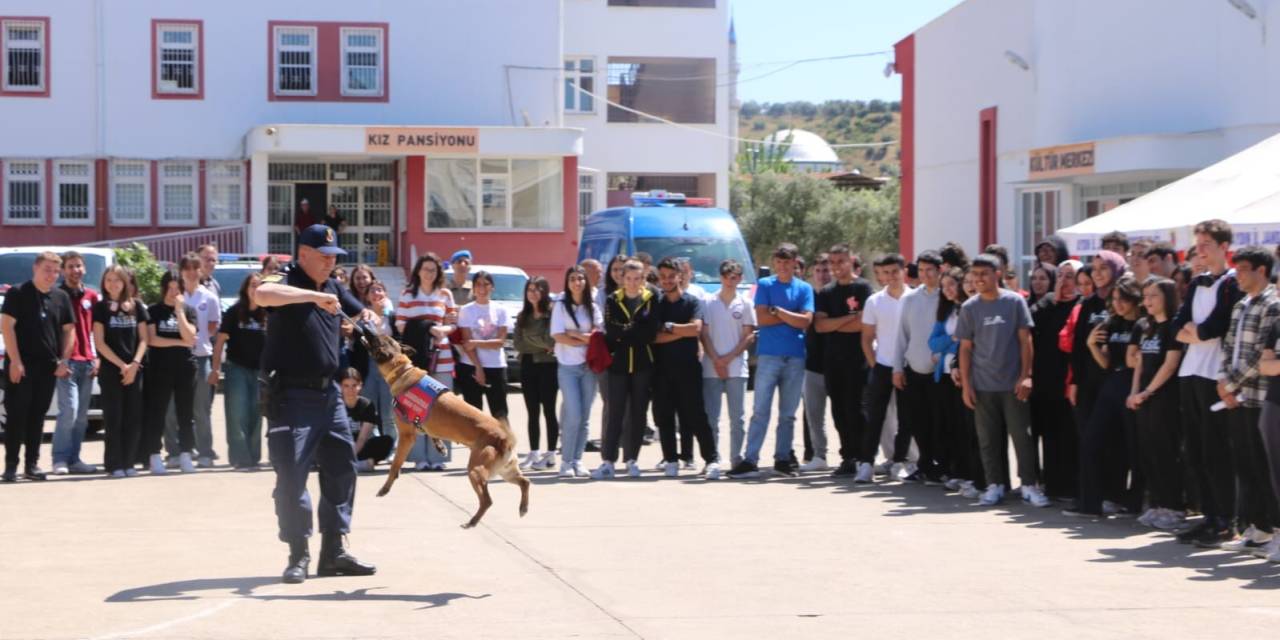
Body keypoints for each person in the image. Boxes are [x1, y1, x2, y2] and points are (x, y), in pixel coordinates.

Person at [254, 224, 378, 584]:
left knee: (342, 468)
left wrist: (368, 316)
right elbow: (263, 294)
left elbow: (359, 314)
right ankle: (298, 554)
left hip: (330, 396)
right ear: (303, 254)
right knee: (292, 474)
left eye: (333, 258)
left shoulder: (334, 285)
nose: (329, 264)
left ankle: (333, 552)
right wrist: (309, 298)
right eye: (323, 257)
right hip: (292, 396)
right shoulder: (287, 278)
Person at [1173, 220, 1244, 547]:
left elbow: (1216, 326)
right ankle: (1208, 516)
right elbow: (1177, 325)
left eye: (1206, 245)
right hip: (1190, 372)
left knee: (1216, 451)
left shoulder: (1231, 284)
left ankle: (1225, 520)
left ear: (1222, 248)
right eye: (1197, 244)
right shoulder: (1196, 282)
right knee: (1195, 451)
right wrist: (1193, 332)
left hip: (1215, 373)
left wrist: (1196, 332)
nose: (1199, 251)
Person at [956, 254, 1047, 507]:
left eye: (984, 274)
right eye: (975, 275)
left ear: (998, 274)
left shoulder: (1015, 302)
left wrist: (1026, 376)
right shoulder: (969, 308)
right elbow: (965, 348)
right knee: (988, 439)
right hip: (982, 385)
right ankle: (994, 485)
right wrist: (966, 384)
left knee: (1022, 437)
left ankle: (1029, 485)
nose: (978, 279)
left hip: (1013, 384)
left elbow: (1025, 341)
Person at [1215, 246, 1280, 554]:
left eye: (1242, 270)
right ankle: (1258, 528)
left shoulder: (1272, 305)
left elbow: (1260, 357)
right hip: (1235, 397)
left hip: (1258, 397)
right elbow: (1229, 345)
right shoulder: (1241, 305)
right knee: (1245, 465)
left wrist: (1233, 383)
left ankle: (1273, 527)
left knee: (1264, 466)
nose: (1237, 275)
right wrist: (1222, 380)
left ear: (1261, 271)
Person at [729, 243, 814, 479]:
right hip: (769, 356)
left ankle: (783, 458)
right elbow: (762, 318)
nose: (784, 266)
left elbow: (806, 321)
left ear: (795, 263)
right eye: (779, 262)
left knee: (788, 413)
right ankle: (751, 459)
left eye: (788, 262)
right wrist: (789, 316)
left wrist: (778, 311)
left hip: (795, 357)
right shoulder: (765, 285)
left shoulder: (804, 288)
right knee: (760, 411)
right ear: (774, 263)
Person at [1070, 275, 1143, 518]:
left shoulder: (1142, 324)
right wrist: (1091, 345)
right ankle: (1090, 503)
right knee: (1091, 440)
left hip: (1132, 387)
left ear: (1134, 298)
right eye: (1115, 299)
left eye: (1123, 299)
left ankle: (1133, 503)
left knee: (1133, 447)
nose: (1119, 304)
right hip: (1110, 385)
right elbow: (1106, 363)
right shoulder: (1113, 324)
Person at [1, 252, 75, 482]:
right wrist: (15, 361)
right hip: (20, 365)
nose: (51, 275)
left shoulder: (61, 297)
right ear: (35, 268)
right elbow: (7, 327)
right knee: (16, 416)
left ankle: (31, 465)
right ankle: (11, 466)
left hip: (48, 367)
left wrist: (64, 360)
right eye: (46, 270)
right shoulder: (17, 293)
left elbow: (69, 330)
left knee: (37, 416)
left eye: (55, 271)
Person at [1126, 277, 1185, 530]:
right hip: (1144, 399)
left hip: (1165, 399)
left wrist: (1147, 392)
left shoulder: (1173, 327)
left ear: (1167, 298)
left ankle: (1174, 507)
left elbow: (1170, 364)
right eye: (1145, 296)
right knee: (1148, 452)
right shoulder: (1144, 326)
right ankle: (1158, 504)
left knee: (1165, 453)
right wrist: (1134, 392)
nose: (1147, 301)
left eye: (1154, 296)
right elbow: (1139, 363)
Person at [651, 257, 718, 479]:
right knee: (664, 417)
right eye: (663, 277)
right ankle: (671, 460)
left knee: (696, 416)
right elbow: (653, 338)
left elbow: (695, 329)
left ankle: (711, 460)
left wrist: (669, 327)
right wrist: (680, 331)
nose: (667, 281)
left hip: (688, 370)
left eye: (671, 276)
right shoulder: (655, 303)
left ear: (681, 276)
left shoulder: (692, 302)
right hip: (661, 371)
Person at [593, 259, 660, 479]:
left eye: (637, 278)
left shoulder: (652, 298)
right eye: (628, 278)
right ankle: (608, 461)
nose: (632, 283)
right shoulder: (613, 299)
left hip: (643, 364)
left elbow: (650, 332)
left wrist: (627, 332)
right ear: (622, 279)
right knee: (615, 412)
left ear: (643, 279)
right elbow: (611, 332)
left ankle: (632, 459)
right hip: (618, 365)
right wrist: (632, 331)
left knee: (638, 413)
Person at [812, 246, 873, 478]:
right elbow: (820, 326)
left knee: (857, 408)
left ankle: (863, 456)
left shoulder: (864, 288)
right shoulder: (826, 292)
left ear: (851, 261)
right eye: (833, 262)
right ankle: (848, 456)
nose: (836, 266)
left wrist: (836, 323)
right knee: (838, 410)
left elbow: (864, 324)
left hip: (858, 359)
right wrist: (850, 318)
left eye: (841, 261)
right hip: (833, 361)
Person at [395, 253, 457, 471]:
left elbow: (453, 323)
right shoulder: (407, 294)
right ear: (418, 271)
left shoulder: (445, 294)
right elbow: (401, 325)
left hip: (442, 358)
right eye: (425, 269)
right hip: (417, 359)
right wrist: (428, 327)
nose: (429, 273)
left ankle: (439, 457)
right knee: (418, 408)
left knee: (443, 409)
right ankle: (419, 456)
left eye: (433, 270)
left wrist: (443, 329)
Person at [894, 250, 946, 484]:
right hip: (913, 370)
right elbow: (901, 336)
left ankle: (942, 466)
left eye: (930, 270)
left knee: (939, 421)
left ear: (940, 270)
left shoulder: (947, 297)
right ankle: (924, 465)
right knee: (917, 421)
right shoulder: (910, 299)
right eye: (922, 270)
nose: (925, 275)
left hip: (938, 373)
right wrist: (897, 367)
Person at [931, 267, 983, 499]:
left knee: (967, 429)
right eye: (944, 287)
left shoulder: (969, 309)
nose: (948, 290)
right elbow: (933, 343)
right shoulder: (947, 311)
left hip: (965, 375)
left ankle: (973, 475)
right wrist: (951, 340)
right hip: (944, 375)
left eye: (952, 284)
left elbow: (965, 342)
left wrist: (951, 343)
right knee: (950, 427)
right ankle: (958, 472)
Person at [1031, 260, 1081, 500]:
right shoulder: (1046, 303)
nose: (1065, 280)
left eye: (1070, 275)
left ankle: (1072, 486)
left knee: (1070, 437)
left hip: (1070, 381)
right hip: (1046, 381)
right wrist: (1055, 299)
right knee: (1050, 437)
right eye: (1060, 275)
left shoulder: (1082, 304)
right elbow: (1032, 326)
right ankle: (1052, 485)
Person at [164, 254, 220, 468]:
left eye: (194, 268)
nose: (190, 272)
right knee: (171, 409)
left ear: (200, 271)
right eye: (186, 268)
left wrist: (201, 337)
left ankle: (205, 452)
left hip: (201, 356)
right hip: (176, 357)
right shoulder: (175, 295)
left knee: (201, 409)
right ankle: (173, 452)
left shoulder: (209, 297)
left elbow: (214, 326)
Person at [92, 265, 148, 478]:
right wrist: (121, 366)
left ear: (125, 282)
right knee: (114, 418)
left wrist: (134, 364)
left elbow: (144, 339)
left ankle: (129, 462)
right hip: (111, 370)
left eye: (117, 279)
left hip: (134, 370)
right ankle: (114, 464)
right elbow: (100, 342)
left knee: (133, 417)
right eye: (108, 280)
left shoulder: (136, 306)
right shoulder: (100, 308)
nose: (113, 283)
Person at [701, 259, 756, 469]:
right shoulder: (708, 302)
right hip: (711, 366)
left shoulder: (746, 303)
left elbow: (748, 336)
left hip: (736, 367)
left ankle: (736, 457)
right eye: (726, 276)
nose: (730, 280)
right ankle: (712, 458)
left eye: (734, 276)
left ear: (740, 278)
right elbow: (704, 334)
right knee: (711, 417)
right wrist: (716, 359)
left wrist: (727, 359)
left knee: (738, 418)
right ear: (721, 277)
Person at [861, 254, 911, 481]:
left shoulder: (914, 298)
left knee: (906, 418)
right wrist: (875, 366)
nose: (891, 277)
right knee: (875, 417)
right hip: (882, 366)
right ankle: (866, 463)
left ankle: (900, 461)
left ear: (903, 271)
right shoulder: (874, 301)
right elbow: (867, 338)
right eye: (886, 273)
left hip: (909, 368)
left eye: (895, 272)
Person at [145, 268, 199, 475]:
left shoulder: (189, 310)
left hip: (185, 368)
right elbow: (153, 340)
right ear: (163, 288)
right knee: (157, 412)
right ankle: (154, 455)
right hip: (160, 368)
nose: (172, 292)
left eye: (176, 289)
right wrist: (179, 341)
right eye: (169, 288)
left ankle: (186, 454)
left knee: (186, 413)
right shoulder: (153, 311)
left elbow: (191, 337)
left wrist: (179, 311)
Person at [51, 250, 100, 475]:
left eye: (78, 266)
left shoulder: (91, 296)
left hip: (88, 362)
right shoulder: (56, 295)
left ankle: (74, 459)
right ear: (63, 270)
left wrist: (96, 356)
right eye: (70, 266)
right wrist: (60, 359)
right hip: (67, 362)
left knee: (81, 416)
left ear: (84, 269)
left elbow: (95, 330)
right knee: (68, 410)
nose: (75, 270)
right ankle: (59, 459)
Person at [212, 273, 267, 471]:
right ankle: (240, 458)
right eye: (252, 285)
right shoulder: (235, 312)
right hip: (237, 368)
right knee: (237, 414)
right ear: (245, 289)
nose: (255, 289)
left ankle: (253, 457)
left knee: (256, 413)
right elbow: (219, 342)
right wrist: (215, 368)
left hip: (260, 371)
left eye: (259, 286)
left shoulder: (267, 313)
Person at [551, 265, 602, 478]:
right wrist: (583, 337)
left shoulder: (593, 307)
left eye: (580, 278)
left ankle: (578, 460)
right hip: (568, 367)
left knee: (585, 416)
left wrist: (576, 335)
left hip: (589, 367)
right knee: (573, 414)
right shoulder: (561, 306)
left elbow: (598, 337)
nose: (577, 282)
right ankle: (566, 461)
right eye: (573, 279)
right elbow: (557, 335)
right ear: (567, 282)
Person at [514, 277, 559, 471]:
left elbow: (551, 342)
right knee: (532, 411)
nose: (533, 293)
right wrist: (540, 342)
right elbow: (518, 344)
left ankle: (550, 453)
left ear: (545, 292)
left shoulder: (552, 315)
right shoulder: (522, 316)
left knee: (549, 410)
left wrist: (531, 339)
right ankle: (534, 452)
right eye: (529, 289)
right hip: (528, 366)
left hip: (548, 367)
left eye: (537, 289)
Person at [456, 271, 510, 418]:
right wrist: (478, 368)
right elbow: (467, 344)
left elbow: (500, 342)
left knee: (500, 414)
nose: (482, 288)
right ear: (473, 288)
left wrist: (476, 342)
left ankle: (503, 442)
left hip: (496, 367)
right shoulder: (466, 310)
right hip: (471, 367)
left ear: (492, 287)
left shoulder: (501, 310)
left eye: (486, 284)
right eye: (478, 284)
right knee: (474, 418)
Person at [799, 253, 833, 470]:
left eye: (826, 270)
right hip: (811, 364)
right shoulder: (807, 295)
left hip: (838, 364)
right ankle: (817, 456)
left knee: (846, 414)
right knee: (813, 414)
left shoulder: (838, 294)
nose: (822, 275)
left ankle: (854, 455)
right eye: (818, 271)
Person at [339, 368, 393, 473]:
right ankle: (358, 465)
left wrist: (351, 455)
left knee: (386, 441)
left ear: (360, 385)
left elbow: (362, 438)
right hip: (342, 445)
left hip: (359, 446)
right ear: (340, 387)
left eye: (354, 385)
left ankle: (348, 464)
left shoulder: (366, 405)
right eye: (346, 386)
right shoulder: (336, 405)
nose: (350, 390)